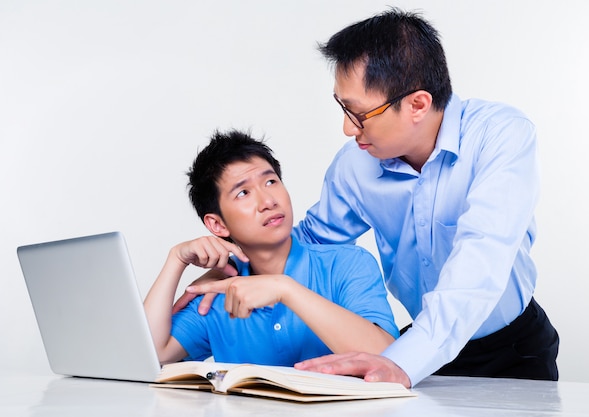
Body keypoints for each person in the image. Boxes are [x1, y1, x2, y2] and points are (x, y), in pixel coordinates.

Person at [179, 9, 559, 387]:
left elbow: (480, 263)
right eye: (343, 108)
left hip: (510, 348)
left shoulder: (502, 136)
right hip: (417, 346)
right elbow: (310, 241)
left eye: (359, 113)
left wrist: (405, 362)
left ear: (417, 105)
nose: (348, 128)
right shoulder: (356, 163)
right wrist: (238, 264)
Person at [143, 129, 398, 366]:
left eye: (271, 182)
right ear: (217, 224)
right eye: (243, 193)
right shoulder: (217, 294)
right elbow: (150, 357)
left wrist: (285, 289)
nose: (267, 201)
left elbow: (390, 360)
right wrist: (176, 259)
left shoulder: (347, 265)